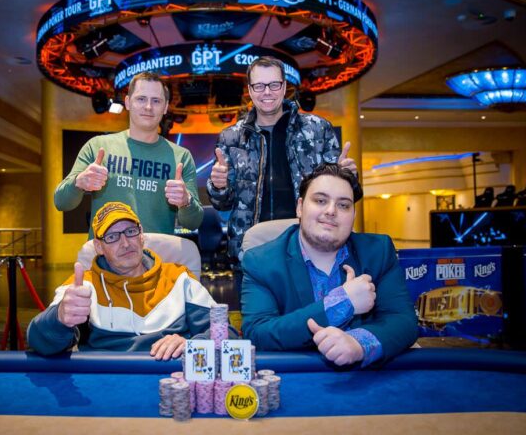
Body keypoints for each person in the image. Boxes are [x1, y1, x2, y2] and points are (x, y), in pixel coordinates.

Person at [241, 163, 418, 367]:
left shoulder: (379, 251)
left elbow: (403, 321)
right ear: (300, 207)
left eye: (343, 205)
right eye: (320, 200)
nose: (331, 211)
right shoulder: (261, 261)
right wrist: (342, 303)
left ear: (353, 216)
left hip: (365, 378)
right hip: (296, 377)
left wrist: (359, 344)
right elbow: (258, 334)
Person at [207, 56, 359, 261]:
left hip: (309, 248)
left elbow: (343, 198)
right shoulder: (231, 137)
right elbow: (222, 205)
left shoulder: (317, 129)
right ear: (250, 90)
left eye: (274, 84)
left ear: (284, 86)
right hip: (251, 250)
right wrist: (219, 187)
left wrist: (348, 178)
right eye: (259, 86)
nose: (267, 92)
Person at [28, 201, 220, 359]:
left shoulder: (179, 277)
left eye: (130, 232)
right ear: (99, 247)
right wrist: (59, 318)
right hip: (105, 382)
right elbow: (38, 342)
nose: (125, 243)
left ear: (141, 235)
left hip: (168, 377)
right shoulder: (83, 285)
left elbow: (225, 332)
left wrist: (193, 345)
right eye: (112, 237)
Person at [54, 72, 203, 237]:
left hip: (157, 252)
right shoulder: (97, 146)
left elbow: (193, 223)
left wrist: (186, 201)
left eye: (156, 101)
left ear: (166, 107)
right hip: (107, 252)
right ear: (127, 102)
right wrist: (78, 182)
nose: (148, 107)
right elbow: (61, 203)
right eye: (141, 99)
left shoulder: (181, 157)